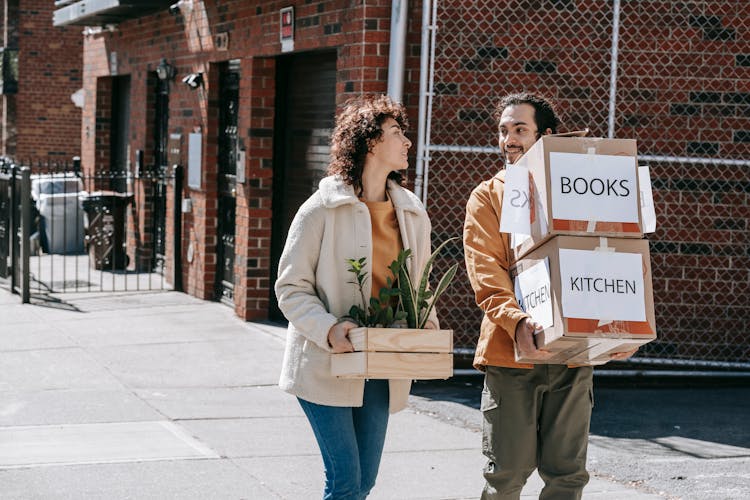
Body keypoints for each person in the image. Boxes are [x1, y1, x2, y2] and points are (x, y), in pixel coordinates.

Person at [463, 92, 637, 499]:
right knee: (505, 476)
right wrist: (516, 320)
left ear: (546, 135)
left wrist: (620, 326)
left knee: (567, 477)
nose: (509, 139)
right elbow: (485, 271)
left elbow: (611, 252)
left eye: (520, 129)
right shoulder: (489, 195)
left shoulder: (580, 190)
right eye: (503, 130)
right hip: (511, 354)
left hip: (572, 357)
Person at [275, 94, 438, 499]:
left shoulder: (412, 213)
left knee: (363, 482)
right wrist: (329, 329)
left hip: (382, 363)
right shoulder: (321, 210)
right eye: (397, 133)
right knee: (346, 483)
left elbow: (421, 286)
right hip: (324, 364)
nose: (407, 142)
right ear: (369, 142)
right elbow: (290, 288)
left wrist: (425, 329)